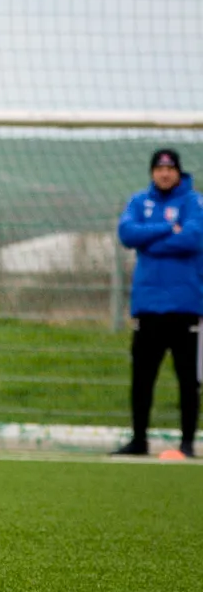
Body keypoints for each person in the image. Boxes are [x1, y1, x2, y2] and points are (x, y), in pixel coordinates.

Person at [114, 147, 202, 458]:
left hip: (184, 306)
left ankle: (187, 443)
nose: (164, 174)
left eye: (170, 168)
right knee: (142, 378)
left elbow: (193, 237)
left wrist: (149, 242)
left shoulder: (194, 202)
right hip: (148, 306)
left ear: (178, 172)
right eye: (159, 169)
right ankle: (139, 440)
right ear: (152, 172)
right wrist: (166, 228)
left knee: (188, 380)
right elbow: (127, 233)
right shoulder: (139, 201)